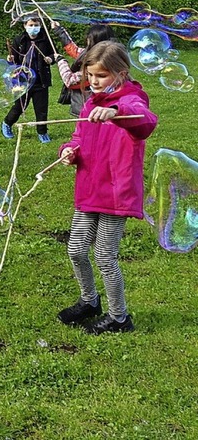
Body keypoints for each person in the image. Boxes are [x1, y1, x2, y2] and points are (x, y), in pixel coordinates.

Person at [57, 40, 158, 334]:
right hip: (89, 188)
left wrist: (116, 112)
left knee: (104, 256)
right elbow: (78, 137)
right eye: (90, 76)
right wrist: (69, 150)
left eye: (100, 76)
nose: (93, 82)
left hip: (116, 193)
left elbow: (145, 122)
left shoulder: (133, 100)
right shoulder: (89, 104)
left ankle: (119, 317)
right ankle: (90, 301)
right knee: (76, 250)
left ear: (121, 72)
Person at [2, 15, 55, 143]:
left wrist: (50, 59)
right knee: (20, 106)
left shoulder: (45, 39)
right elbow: (14, 60)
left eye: (36, 25)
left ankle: (42, 132)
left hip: (40, 80)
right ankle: (7, 123)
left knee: (41, 108)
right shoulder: (20, 40)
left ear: (40, 26)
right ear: (25, 26)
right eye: (30, 25)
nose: (33, 28)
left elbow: (54, 54)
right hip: (23, 79)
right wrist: (11, 60)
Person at [52, 21, 116, 116]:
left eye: (89, 38)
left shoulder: (97, 64)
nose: (87, 40)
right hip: (91, 107)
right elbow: (74, 50)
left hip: (90, 108)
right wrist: (59, 30)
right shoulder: (101, 53)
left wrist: (61, 61)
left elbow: (69, 80)